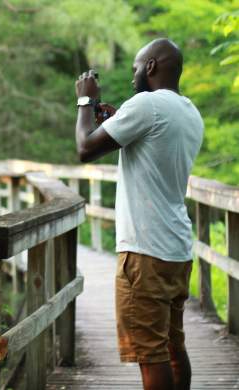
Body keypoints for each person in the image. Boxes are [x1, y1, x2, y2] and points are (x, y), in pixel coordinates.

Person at [73, 38, 204, 390]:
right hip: (176, 250)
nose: (132, 76)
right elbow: (153, 144)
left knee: (150, 354)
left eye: (135, 67)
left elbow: (85, 148)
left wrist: (85, 100)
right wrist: (118, 120)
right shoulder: (189, 111)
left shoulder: (146, 105)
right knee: (173, 347)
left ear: (150, 66)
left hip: (144, 253)